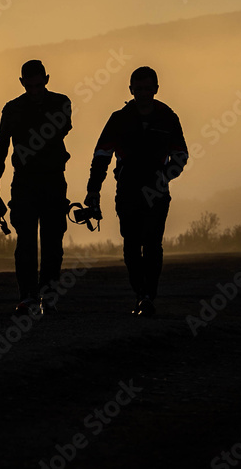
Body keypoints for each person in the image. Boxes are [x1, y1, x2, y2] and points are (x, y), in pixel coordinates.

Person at [84, 66, 188, 317]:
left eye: (147, 88)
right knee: (131, 245)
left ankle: (148, 296)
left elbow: (181, 154)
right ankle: (140, 294)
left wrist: (165, 176)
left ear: (156, 89)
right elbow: (101, 155)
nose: (142, 93)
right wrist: (93, 190)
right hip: (128, 190)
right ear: (130, 90)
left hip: (158, 192)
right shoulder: (118, 119)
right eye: (138, 89)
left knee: (152, 243)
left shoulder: (168, 117)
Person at [0, 60, 72, 314]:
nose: (34, 90)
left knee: (52, 240)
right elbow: (1, 147)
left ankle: (48, 293)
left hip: (52, 179)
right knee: (25, 241)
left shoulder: (60, 103)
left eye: (38, 85)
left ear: (46, 79)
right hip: (24, 181)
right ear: (22, 83)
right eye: (30, 86)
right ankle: (28, 296)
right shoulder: (12, 109)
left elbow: (61, 129)